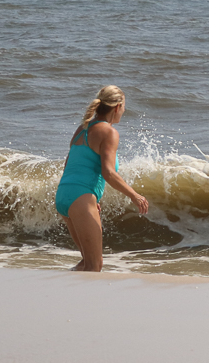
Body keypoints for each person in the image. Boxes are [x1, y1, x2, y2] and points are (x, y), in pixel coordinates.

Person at [54, 85, 150, 271]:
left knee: (86, 262)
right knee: (94, 266)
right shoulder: (109, 132)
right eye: (123, 108)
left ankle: (64, 292)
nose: (123, 112)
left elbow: (69, 164)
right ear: (117, 107)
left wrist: (90, 198)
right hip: (80, 198)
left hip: (65, 195)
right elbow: (108, 172)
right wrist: (135, 195)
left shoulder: (82, 128)